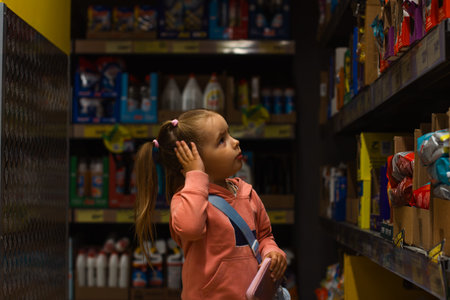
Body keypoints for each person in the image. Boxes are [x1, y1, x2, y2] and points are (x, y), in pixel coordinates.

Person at [135, 109, 287, 299]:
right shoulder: (186, 200)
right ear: (195, 160)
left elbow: (264, 236)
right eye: (221, 140)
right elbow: (191, 228)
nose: (235, 141)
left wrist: (272, 252)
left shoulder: (247, 193)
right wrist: (196, 175)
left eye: (229, 134)